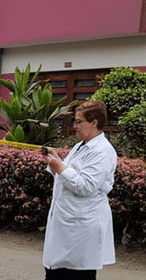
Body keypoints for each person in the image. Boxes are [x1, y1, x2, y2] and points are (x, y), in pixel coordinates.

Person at [42, 101, 117, 280]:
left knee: (74, 274)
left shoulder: (103, 151)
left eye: (78, 122)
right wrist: (56, 162)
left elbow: (86, 186)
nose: (75, 127)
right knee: (55, 271)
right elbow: (70, 175)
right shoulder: (81, 145)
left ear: (94, 122)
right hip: (66, 223)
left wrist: (60, 168)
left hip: (82, 229)